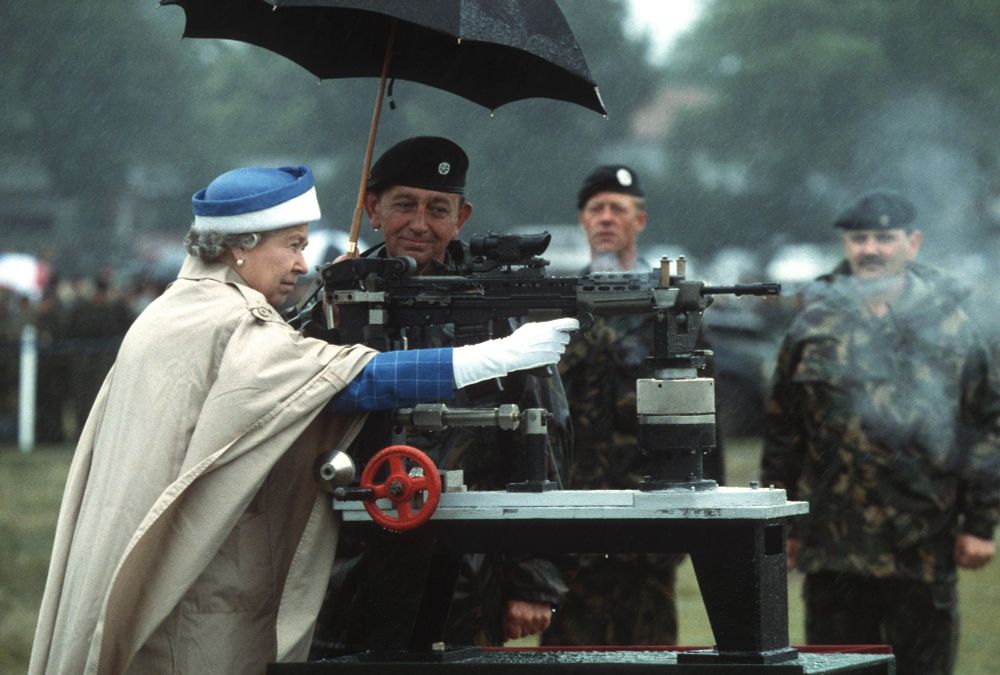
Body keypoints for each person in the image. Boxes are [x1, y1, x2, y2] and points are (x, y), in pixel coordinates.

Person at [28, 165, 577, 674]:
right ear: (240, 247)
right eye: (291, 245)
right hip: (199, 588)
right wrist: (495, 357)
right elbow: (349, 381)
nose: (301, 263)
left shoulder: (179, 308)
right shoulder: (231, 320)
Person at [314, 137, 568, 650]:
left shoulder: (491, 308)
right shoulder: (336, 304)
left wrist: (532, 579)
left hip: (465, 568)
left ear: (461, 218)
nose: (419, 225)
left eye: (438, 209)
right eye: (404, 204)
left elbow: (545, 437)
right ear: (372, 207)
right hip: (348, 564)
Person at [761, 191, 1000, 675]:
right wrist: (778, 529)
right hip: (832, 548)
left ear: (912, 244)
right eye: (859, 238)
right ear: (847, 244)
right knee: (836, 669)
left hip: (922, 544)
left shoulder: (953, 323)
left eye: (884, 238)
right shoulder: (813, 322)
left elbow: (985, 425)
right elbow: (785, 430)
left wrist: (979, 523)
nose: (870, 249)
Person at [543, 165, 723, 646]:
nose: (605, 218)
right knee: (568, 653)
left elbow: (705, 420)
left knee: (652, 653)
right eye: (595, 209)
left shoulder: (670, 310)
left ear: (638, 221)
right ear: (582, 220)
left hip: (651, 517)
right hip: (573, 519)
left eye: (617, 209)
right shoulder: (557, 310)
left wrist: (707, 514)